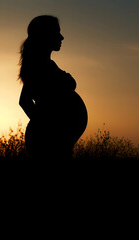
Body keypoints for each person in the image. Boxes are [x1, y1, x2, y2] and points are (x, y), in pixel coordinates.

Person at [18, 15, 88, 161]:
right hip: (48, 142)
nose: (62, 37)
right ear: (45, 35)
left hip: (56, 141)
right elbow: (24, 101)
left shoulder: (44, 64)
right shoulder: (39, 66)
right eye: (57, 32)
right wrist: (48, 128)